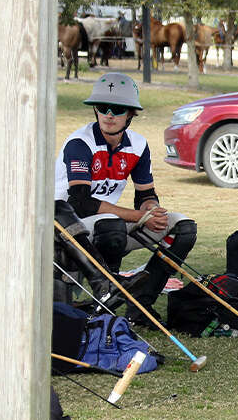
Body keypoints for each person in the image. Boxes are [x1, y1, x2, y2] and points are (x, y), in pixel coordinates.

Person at [53, 72, 197, 324]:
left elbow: (145, 193)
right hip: (69, 226)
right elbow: (81, 202)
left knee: (183, 228)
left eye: (118, 109)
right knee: (112, 224)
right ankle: (106, 294)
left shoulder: (138, 145)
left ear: (131, 113)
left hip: (110, 222)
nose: (109, 114)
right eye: (102, 107)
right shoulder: (80, 142)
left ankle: (141, 303)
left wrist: (151, 209)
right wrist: (138, 216)